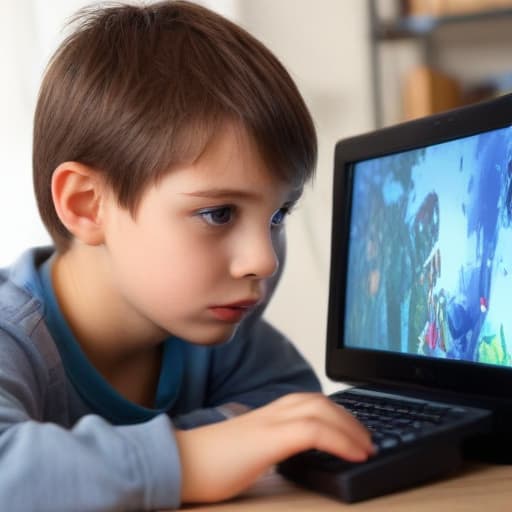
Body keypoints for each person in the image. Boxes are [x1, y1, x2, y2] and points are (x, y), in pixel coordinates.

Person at [0, 1, 373, 510]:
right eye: (219, 213)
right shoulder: (10, 335)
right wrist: (192, 457)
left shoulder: (219, 333)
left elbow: (293, 416)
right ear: (87, 205)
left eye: (279, 214)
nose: (263, 260)